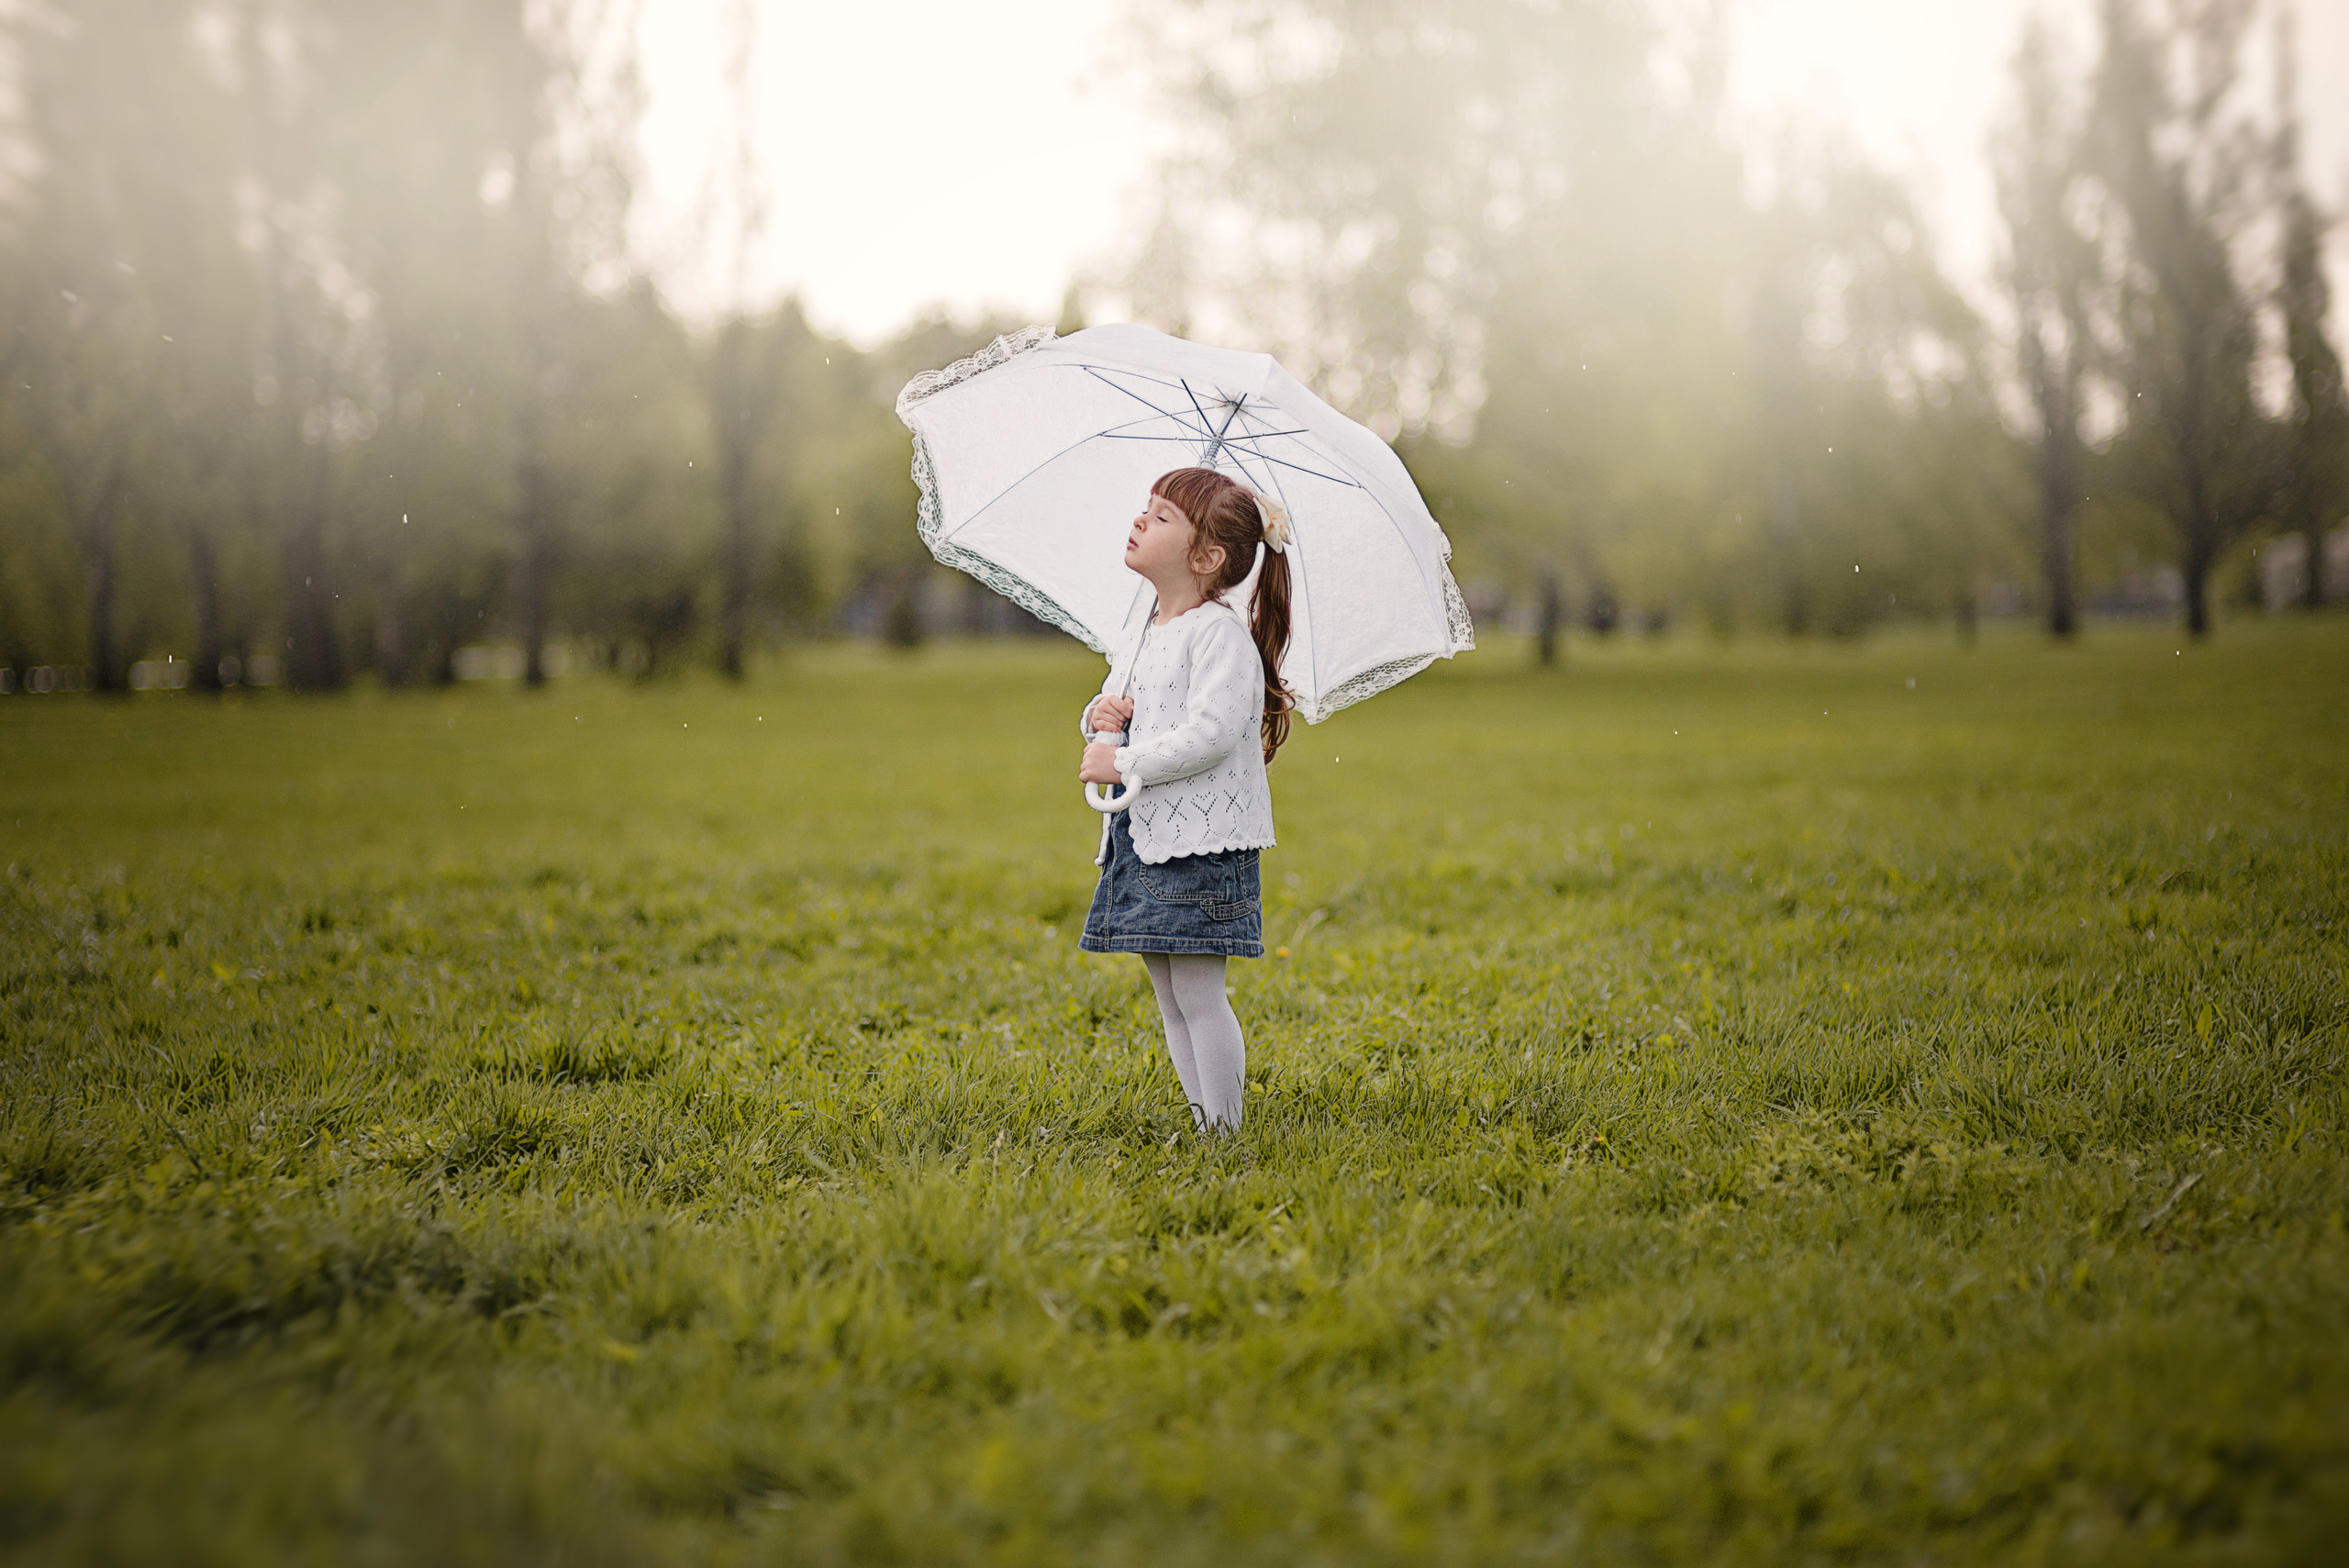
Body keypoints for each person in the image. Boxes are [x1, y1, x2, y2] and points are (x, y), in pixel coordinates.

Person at [1077, 466, 1294, 1132]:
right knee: (1170, 996)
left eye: (1162, 515)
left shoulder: (1217, 634)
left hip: (1201, 849)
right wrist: (1102, 716)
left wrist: (1125, 758)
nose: (1142, 519)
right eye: (1146, 507)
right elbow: (1127, 714)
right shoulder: (1146, 629)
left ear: (1206, 557)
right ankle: (1207, 1122)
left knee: (1200, 994)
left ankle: (1225, 1132)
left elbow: (1212, 731)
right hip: (1144, 839)